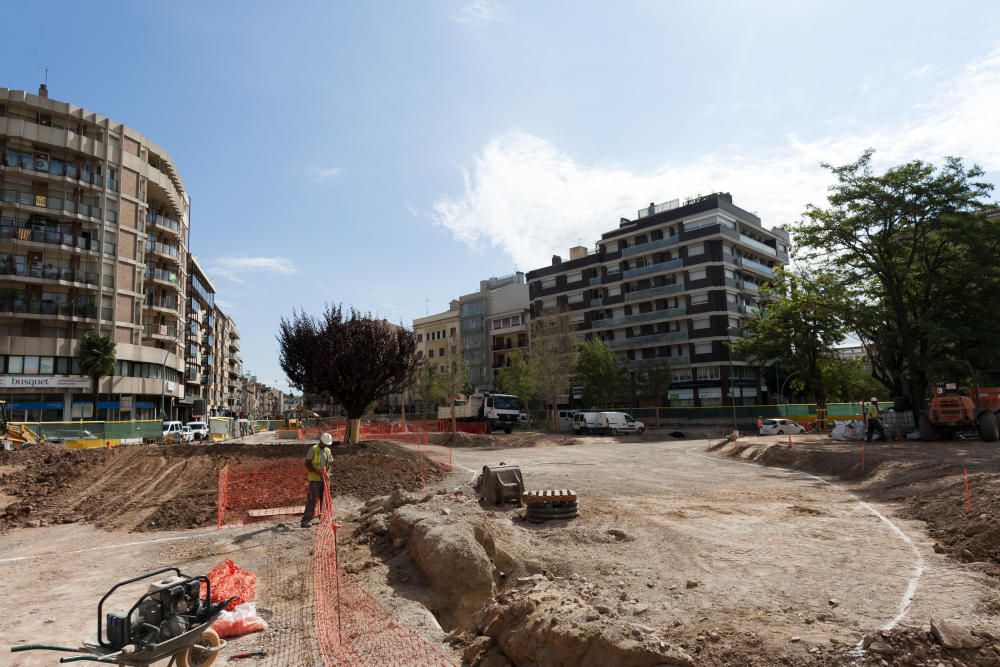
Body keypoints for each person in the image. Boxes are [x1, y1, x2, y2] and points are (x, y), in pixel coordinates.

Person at [301, 432, 333, 527]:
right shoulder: (313, 449)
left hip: (324, 479)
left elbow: (330, 463)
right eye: (324, 443)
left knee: (325, 500)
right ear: (321, 441)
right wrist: (317, 472)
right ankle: (305, 520)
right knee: (313, 500)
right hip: (314, 479)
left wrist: (327, 473)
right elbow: (308, 464)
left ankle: (324, 518)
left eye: (327, 444)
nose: (326, 445)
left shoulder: (328, 450)